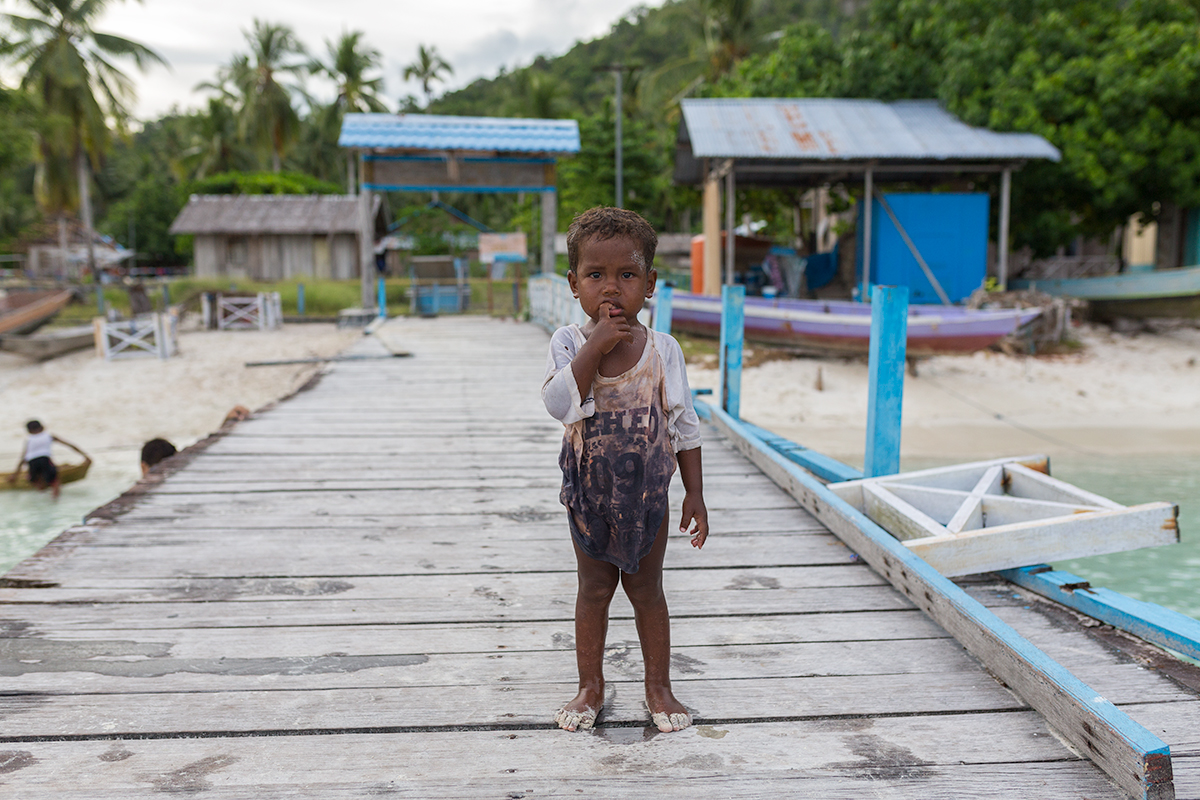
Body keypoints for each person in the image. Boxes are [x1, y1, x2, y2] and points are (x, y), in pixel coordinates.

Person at [541, 207, 709, 734]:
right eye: (595, 276)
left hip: (647, 498)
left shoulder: (663, 350)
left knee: (647, 589)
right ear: (574, 284)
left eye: (627, 275)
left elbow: (684, 425)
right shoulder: (569, 344)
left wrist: (695, 496)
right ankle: (591, 686)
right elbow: (557, 403)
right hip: (588, 498)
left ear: (650, 284)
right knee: (593, 590)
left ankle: (658, 686)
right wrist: (596, 346)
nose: (610, 289)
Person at [8, 420, 85, 499]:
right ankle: (54, 500)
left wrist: (15, 475)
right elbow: (70, 445)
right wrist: (85, 456)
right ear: (43, 427)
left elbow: (23, 459)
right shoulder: (48, 436)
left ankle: (41, 500)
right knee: (55, 482)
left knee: (39, 483)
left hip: (32, 462)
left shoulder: (29, 440)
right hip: (44, 460)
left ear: (29, 431)